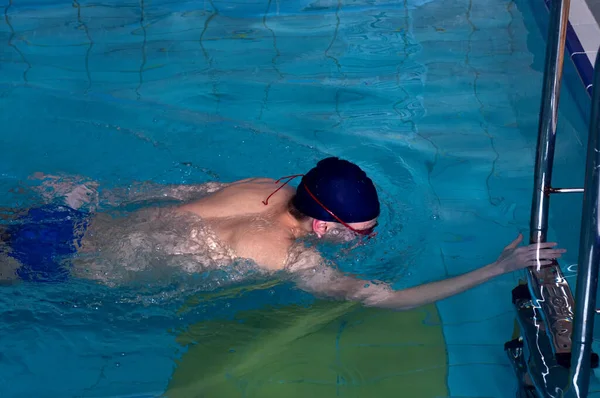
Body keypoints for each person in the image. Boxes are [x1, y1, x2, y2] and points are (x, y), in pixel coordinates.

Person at [0, 157, 565, 310]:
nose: (361, 243)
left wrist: (81, 194)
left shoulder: (261, 186)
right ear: (322, 224)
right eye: (358, 236)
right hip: (55, 269)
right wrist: (495, 268)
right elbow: (388, 302)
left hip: (67, 222)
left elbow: (157, 193)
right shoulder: (284, 259)